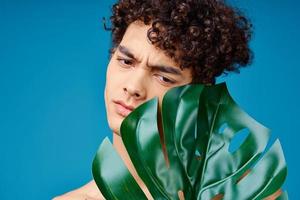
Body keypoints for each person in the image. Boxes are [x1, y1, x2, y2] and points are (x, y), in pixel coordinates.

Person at [53, 0, 281, 199]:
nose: (133, 87)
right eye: (126, 61)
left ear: (196, 94)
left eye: (163, 77)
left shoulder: (242, 191)